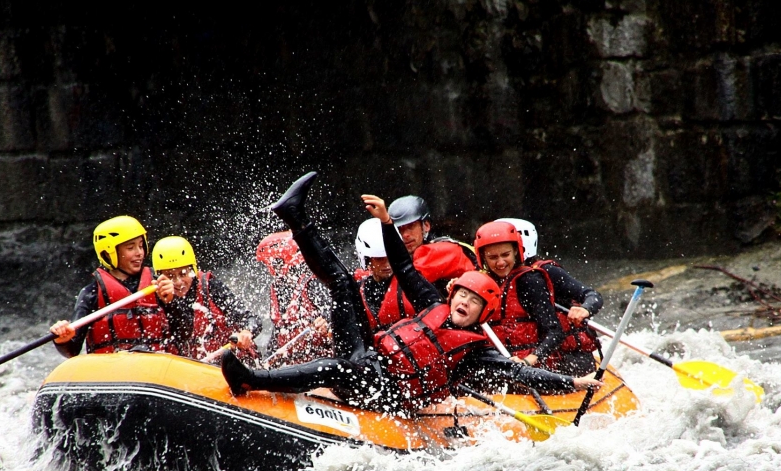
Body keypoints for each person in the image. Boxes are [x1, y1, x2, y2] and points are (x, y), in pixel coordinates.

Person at [220, 171, 601, 414]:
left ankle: (252, 379)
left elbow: (522, 372)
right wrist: (387, 223)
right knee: (343, 284)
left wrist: (572, 384)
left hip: (386, 393)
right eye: (463, 295)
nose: (464, 303)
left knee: (342, 368)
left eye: (474, 302)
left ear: (483, 314)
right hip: (369, 356)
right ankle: (295, 216)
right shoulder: (432, 302)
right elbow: (404, 266)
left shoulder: (475, 352)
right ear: (453, 293)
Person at [50, 215, 176, 357]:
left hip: (157, 366)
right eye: (131, 248)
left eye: (141, 246)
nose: (139, 253)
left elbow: (186, 332)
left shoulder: (159, 284)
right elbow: (72, 351)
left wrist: (172, 302)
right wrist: (63, 340)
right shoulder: (91, 294)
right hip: (112, 367)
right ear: (108, 253)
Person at [496, 218, 603, 375]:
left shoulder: (547, 272)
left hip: (568, 357)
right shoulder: (495, 278)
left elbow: (592, 295)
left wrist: (585, 309)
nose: (499, 261)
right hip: (522, 356)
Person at [473, 220, 570, 372]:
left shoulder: (530, 281)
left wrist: (528, 361)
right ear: (483, 257)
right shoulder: (478, 283)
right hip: (496, 365)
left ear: (516, 251)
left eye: (506, 255)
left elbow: (555, 332)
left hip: (532, 367)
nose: (500, 263)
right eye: (492, 257)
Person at [152, 235, 263, 362]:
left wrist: (247, 332)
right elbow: (183, 332)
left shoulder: (211, 287)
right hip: (191, 368)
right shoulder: (154, 296)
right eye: (170, 276)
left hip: (230, 363)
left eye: (183, 274)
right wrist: (170, 303)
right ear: (159, 277)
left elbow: (251, 318)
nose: (178, 282)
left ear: (192, 270)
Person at [256, 230, 332, 366]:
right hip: (294, 364)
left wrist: (327, 323)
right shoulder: (279, 288)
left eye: (268, 263)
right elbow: (278, 331)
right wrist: (265, 363)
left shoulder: (313, 282)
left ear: (279, 260)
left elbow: (336, 313)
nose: (268, 268)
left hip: (321, 362)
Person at [387, 195, 476, 297]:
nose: (405, 235)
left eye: (411, 226)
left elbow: (402, 288)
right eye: (399, 229)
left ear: (426, 226)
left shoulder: (437, 250)